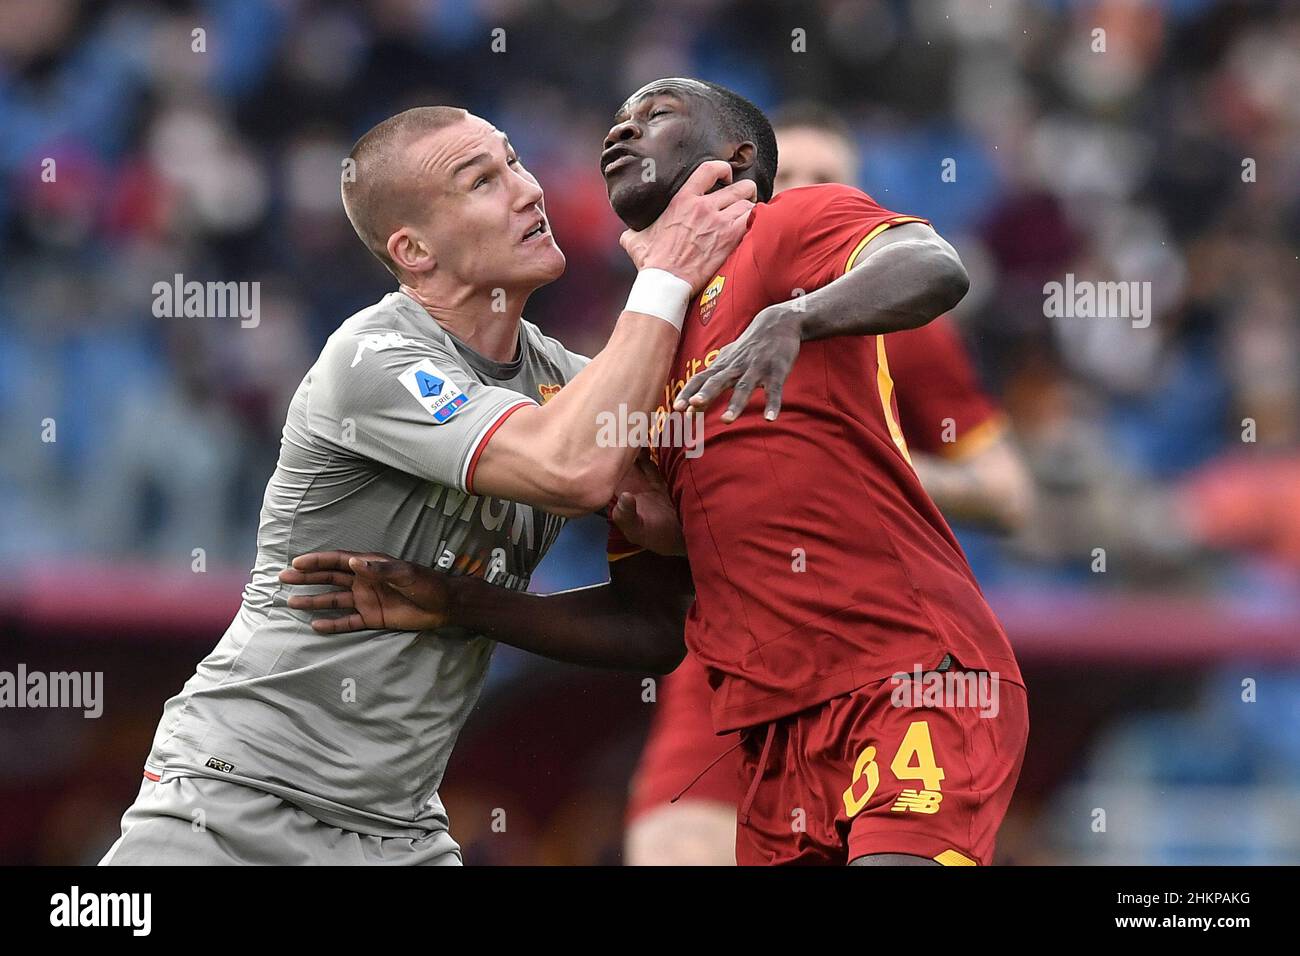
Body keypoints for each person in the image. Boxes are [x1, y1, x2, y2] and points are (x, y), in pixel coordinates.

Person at [289, 79, 1028, 867]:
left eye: (657, 115)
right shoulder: (640, 357)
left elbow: (932, 263)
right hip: (775, 734)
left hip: (908, 676)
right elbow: (649, 626)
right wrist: (458, 601)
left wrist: (795, 317)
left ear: (736, 157)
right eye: (615, 121)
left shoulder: (785, 228)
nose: (620, 132)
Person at [100, 104, 756, 865]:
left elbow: (654, 629)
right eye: (482, 181)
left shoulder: (564, 386)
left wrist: (466, 605)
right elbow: (569, 465)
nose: (527, 190)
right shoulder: (372, 358)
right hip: (236, 805)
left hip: (400, 831)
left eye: (515, 161)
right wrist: (666, 278)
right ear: (414, 251)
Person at [624, 101, 1037, 865]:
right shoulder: (652, 342)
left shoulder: (878, 310)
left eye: (828, 179)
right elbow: (649, 594)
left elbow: (1009, 492)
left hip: (886, 649)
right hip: (744, 685)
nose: (806, 190)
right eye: (798, 176)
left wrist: (848, 457)